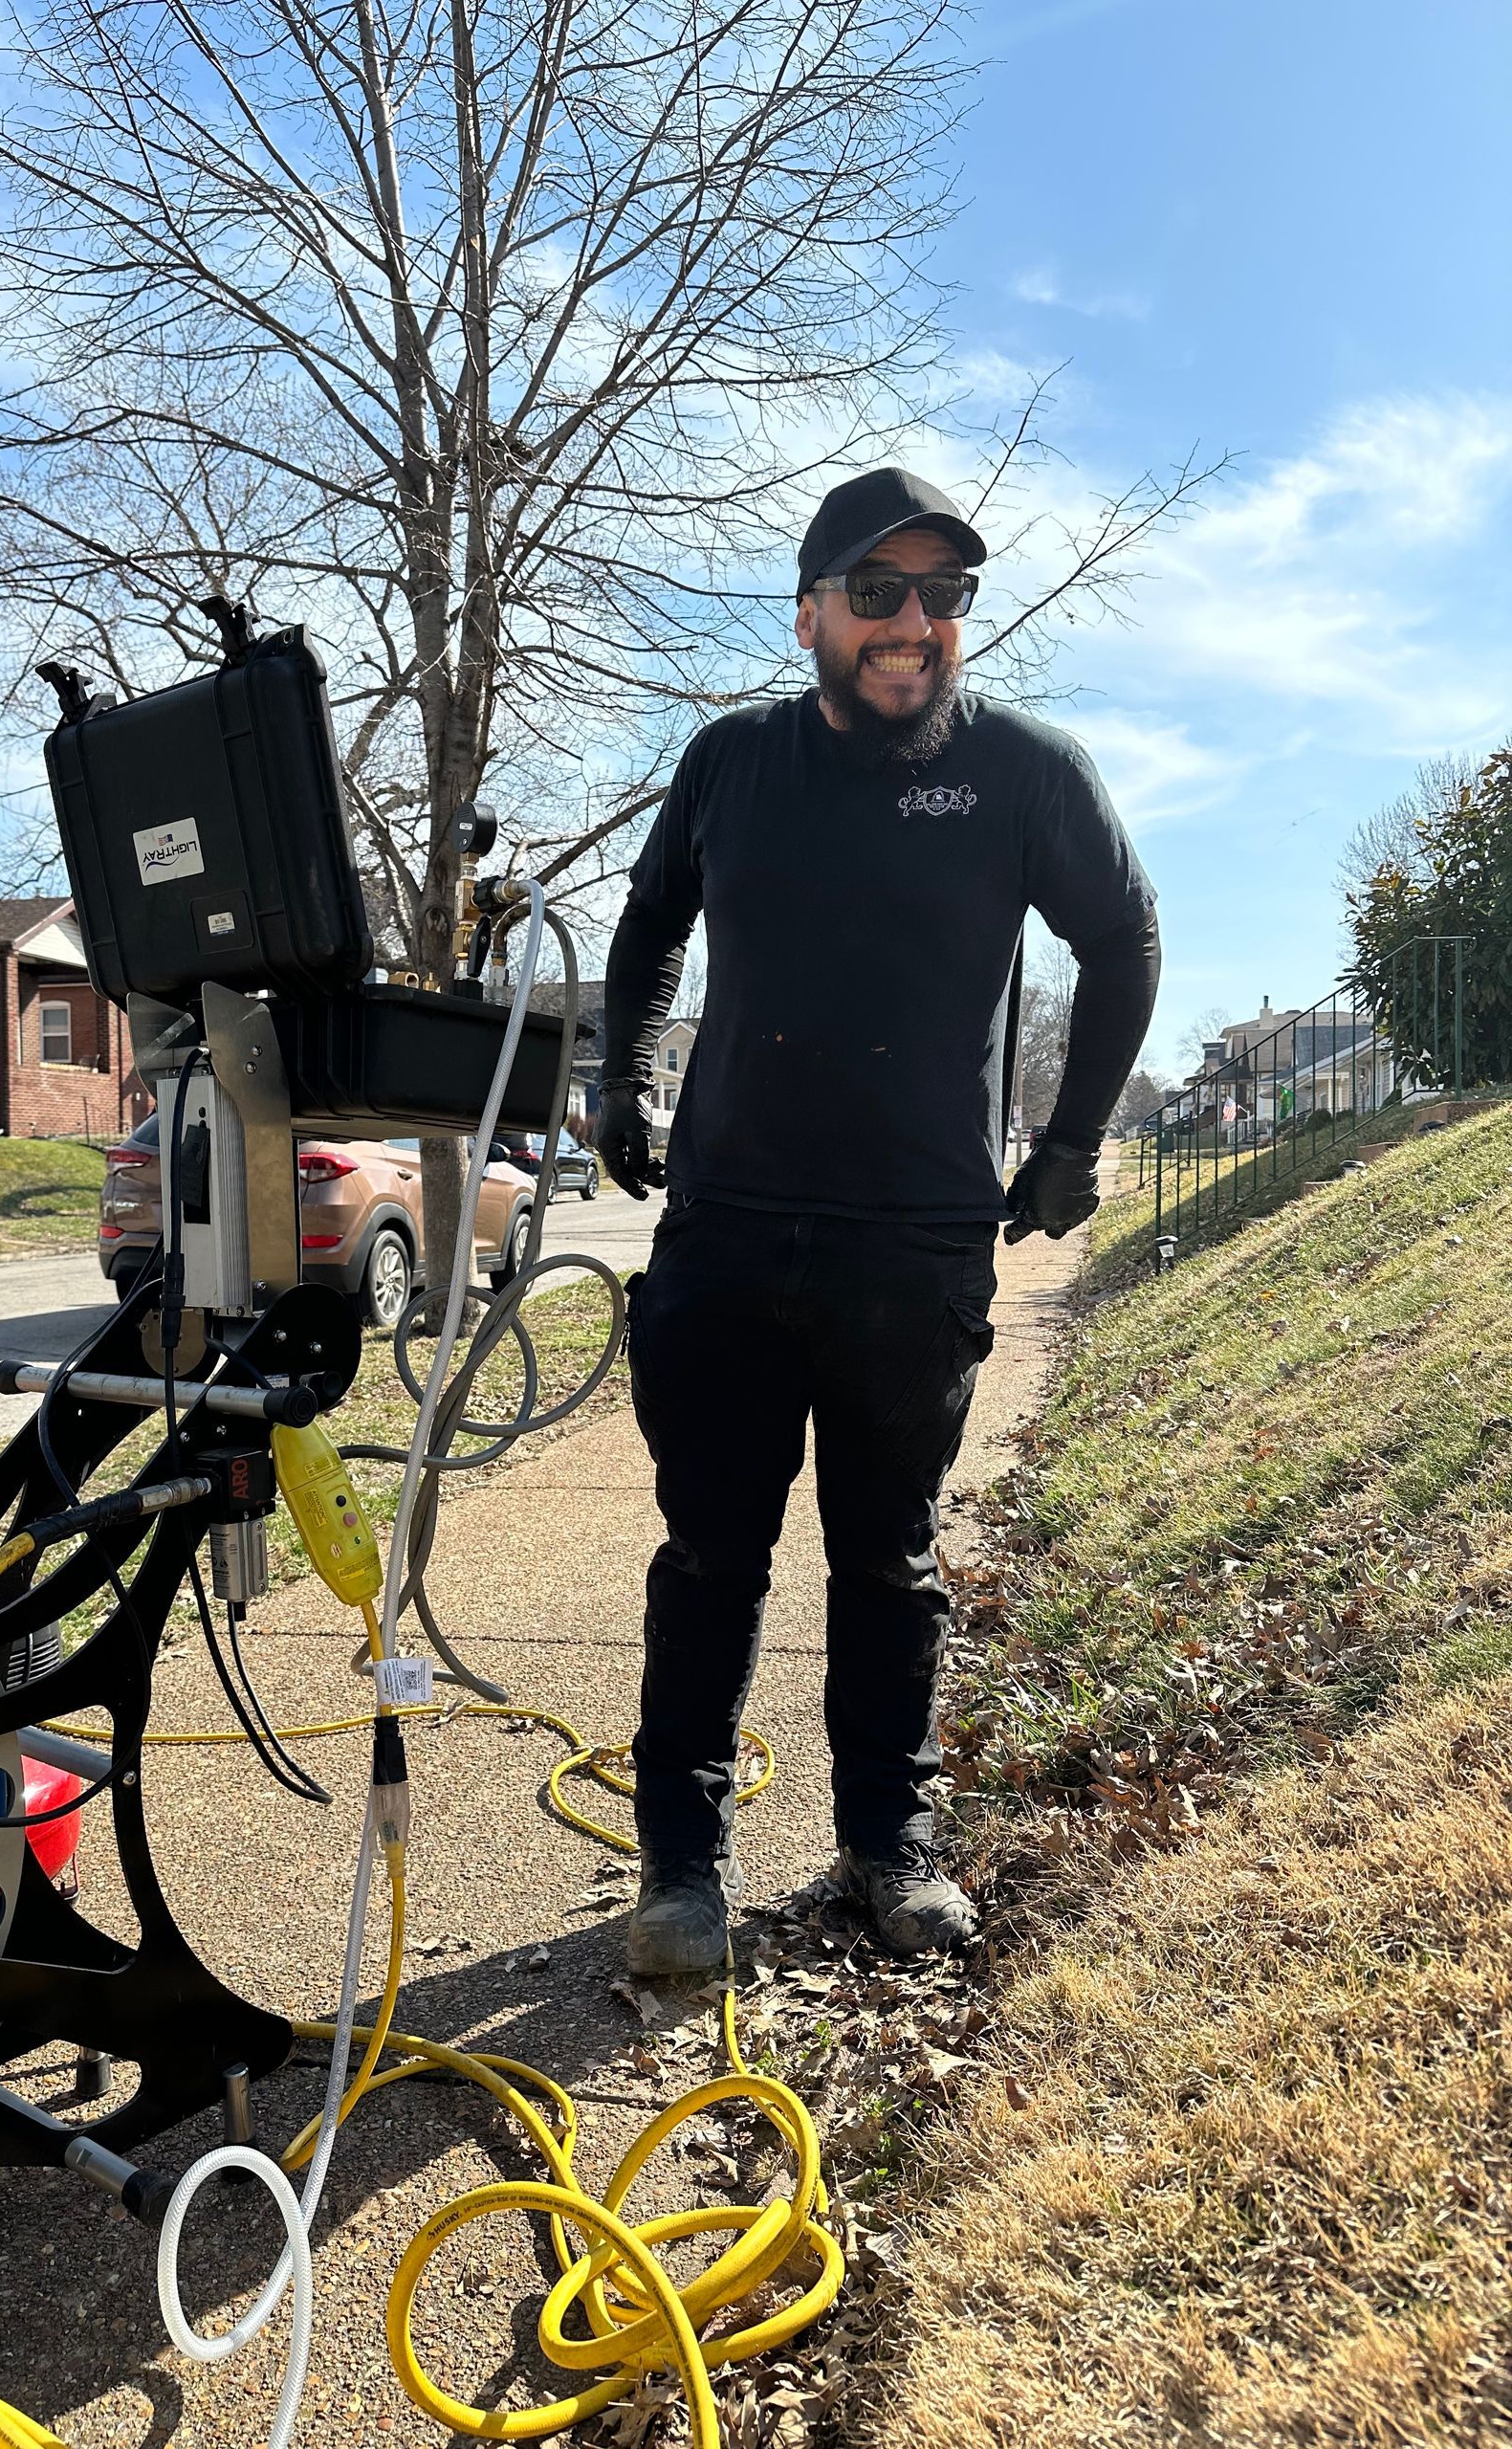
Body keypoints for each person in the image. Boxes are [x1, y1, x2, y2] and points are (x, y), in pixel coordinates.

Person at [596, 467, 1161, 1976]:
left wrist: (1074, 1140)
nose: (914, 623)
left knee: (887, 1563)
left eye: (943, 595)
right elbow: (649, 924)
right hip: (725, 1229)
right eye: (877, 591)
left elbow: (1123, 937)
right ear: (811, 615)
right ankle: (679, 1872)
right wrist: (622, 1073)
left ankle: (886, 1848)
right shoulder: (728, 764)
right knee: (709, 1554)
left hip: (911, 1245)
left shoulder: (1026, 774)